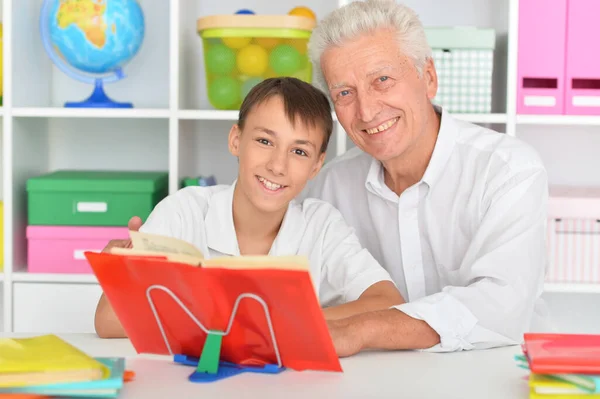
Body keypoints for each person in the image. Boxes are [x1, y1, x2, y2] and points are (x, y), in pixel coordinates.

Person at [298, 0, 550, 355]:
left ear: (428, 77)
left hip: (493, 377)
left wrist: (362, 329)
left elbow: (501, 305)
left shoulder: (507, 171)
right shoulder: (329, 187)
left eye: (382, 80)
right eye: (344, 93)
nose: (367, 111)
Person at [94, 77, 404, 338]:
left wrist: (267, 322)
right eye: (265, 141)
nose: (277, 165)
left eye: (298, 151)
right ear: (236, 140)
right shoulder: (184, 211)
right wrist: (122, 276)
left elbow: (387, 302)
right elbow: (109, 321)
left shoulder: (322, 225)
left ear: (315, 165)